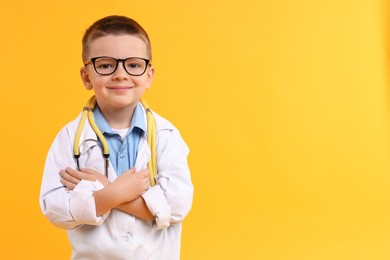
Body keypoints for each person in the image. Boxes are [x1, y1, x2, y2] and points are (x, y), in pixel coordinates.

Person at [39, 15, 193, 260]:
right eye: (106, 64)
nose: (120, 74)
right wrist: (114, 194)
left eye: (133, 65)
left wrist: (105, 189)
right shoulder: (70, 138)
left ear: (149, 75)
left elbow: (176, 207)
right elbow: (55, 208)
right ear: (86, 76)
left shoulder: (166, 136)